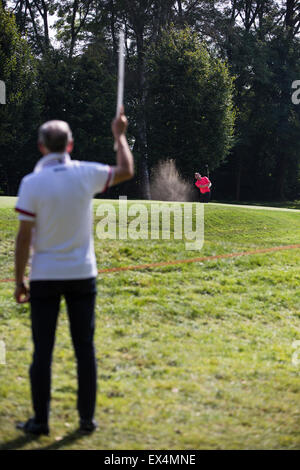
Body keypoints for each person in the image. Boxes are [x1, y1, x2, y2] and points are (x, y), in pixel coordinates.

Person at [14, 107, 134, 436]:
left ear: (41, 146)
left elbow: (24, 236)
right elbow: (126, 169)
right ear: (70, 145)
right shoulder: (85, 173)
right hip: (82, 274)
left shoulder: (31, 182)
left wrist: (19, 280)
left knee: (43, 351)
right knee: (85, 349)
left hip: (45, 276)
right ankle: (86, 420)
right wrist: (119, 136)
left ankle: (40, 422)